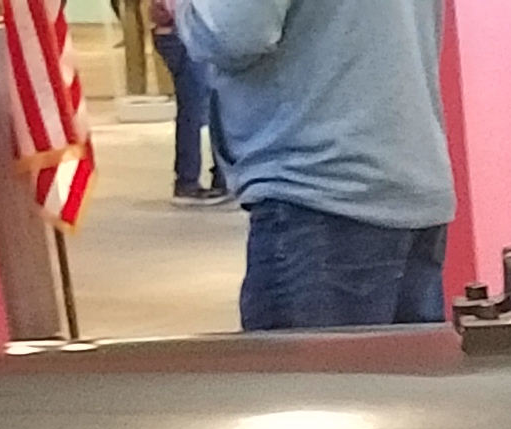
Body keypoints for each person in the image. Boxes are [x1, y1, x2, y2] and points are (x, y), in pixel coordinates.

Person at [174, 0, 455, 330]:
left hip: (318, 187)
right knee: (402, 361)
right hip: (407, 176)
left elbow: (233, 31)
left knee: (307, 363)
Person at [149, 0, 226, 204]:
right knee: (195, 109)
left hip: (185, 32)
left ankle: (218, 177)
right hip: (185, 34)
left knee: (209, 106)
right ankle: (188, 181)